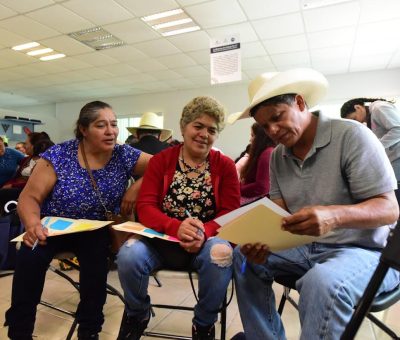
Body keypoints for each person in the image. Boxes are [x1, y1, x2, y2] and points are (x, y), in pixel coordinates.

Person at [228, 68, 400, 340]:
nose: (272, 131)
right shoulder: (277, 157)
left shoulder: (352, 136)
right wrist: (261, 239)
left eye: (276, 117)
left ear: (299, 102)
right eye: (264, 126)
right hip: (306, 247)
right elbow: (279, 215)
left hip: (365, 251)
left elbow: (389, 209)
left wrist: (335, 215)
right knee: (242, 257)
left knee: (322, 282)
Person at [5, 101, 152, 340]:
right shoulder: (60, 155)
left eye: (114, 125)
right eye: (101, 125)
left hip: (95, 228)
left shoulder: (123, 154)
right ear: (84, 130)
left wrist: (136, 187)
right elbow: (29, 198)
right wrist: (33, 225)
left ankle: (89, 329)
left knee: (95, 261)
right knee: (29, 255)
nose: (110, 131)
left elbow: (163, 166)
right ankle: (20, 330)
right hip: (53, 226)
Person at [117, 96, 240, 340]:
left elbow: (231, 213)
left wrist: (202, 231)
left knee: (222, 253)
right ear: (184, 127)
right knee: (128, 255)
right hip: (160, 240)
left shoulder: (225, 165)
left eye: (212, 130)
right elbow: (146, 206)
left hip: (205, 242)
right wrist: (176, 227)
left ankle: (204, 324)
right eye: (198, 126)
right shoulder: (162, 161)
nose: (204, 134)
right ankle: (137, 313)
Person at [340, 97, 400, 181]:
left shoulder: (379, 108)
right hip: (394, 158)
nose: (357, 123)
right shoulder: (370, 118)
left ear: (358, 107)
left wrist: (376, 146)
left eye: (354, 119)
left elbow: (398, 129)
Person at [238, 122, 275, 205]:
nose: (250, 139)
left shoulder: (267, 153)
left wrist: (238, 189)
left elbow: (262, 187)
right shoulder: (265, 152)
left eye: (252, 135)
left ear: (260, 137)